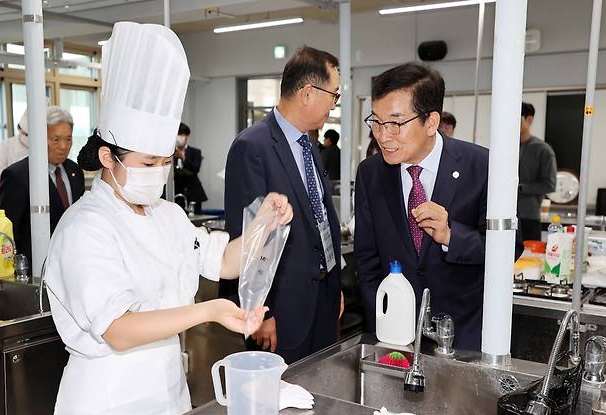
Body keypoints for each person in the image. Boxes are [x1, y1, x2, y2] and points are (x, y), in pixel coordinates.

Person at [43, 23, 293, 415]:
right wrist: (210, 311)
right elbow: (118, 330)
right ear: (108, 157)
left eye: (165, 162)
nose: (159, 173)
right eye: (147, 163)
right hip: (108, 409)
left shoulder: (166, 215)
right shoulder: (84, 228)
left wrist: (263, 221)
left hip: (168, 400)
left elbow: (224, 262)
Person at [355, 62, 510, 351]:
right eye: (376, 121)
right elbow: (367, 260)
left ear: (431, 122)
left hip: (464, 336)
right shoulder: (371, 173)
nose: (383, 135)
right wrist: (384, 324)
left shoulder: (483, 166)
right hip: (394, 337)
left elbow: (508, 249)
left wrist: (452, 237)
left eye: (395, 123)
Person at [224, 46, 343, 364]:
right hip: (281, 313)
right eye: (333, 95)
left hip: (322, 304)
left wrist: (334, 284)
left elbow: (320, 219)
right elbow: (244, 236)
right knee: (280, 407)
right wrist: (260, 312)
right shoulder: (253, 147)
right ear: (308, 92)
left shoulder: (310, 146)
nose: (333, 106)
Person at [0, 106, 84, 273]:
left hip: (71, 263)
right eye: (56, 139)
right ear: (40, 138)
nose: (63, 146)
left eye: (68, 139)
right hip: (35, 267)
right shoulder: (18, 175)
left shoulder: (74, 171)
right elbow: (8, 230)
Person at [518, 102, 557, 241]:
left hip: (528, 217)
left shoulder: (542, 150)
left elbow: (549, 184)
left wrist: (520, 188)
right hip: (504, 216)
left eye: (517, 117)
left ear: (529, 119)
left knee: (528, 260)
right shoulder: (507, 148)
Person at [0, 110, 30, 216]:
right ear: (20, 129)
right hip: (5, 209)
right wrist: (12, 201)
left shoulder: (46, 151)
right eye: (27, 135)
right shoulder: (4, 148)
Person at [174, 122, 208, 214]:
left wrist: (183, 157)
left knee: (196, 217)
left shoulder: (195, 152)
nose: (179, 137)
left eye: (181, 134)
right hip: (177, 191)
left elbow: (196, 169)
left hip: (193, 191)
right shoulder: (170, 152)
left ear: (186, 136)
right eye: (178, 134)